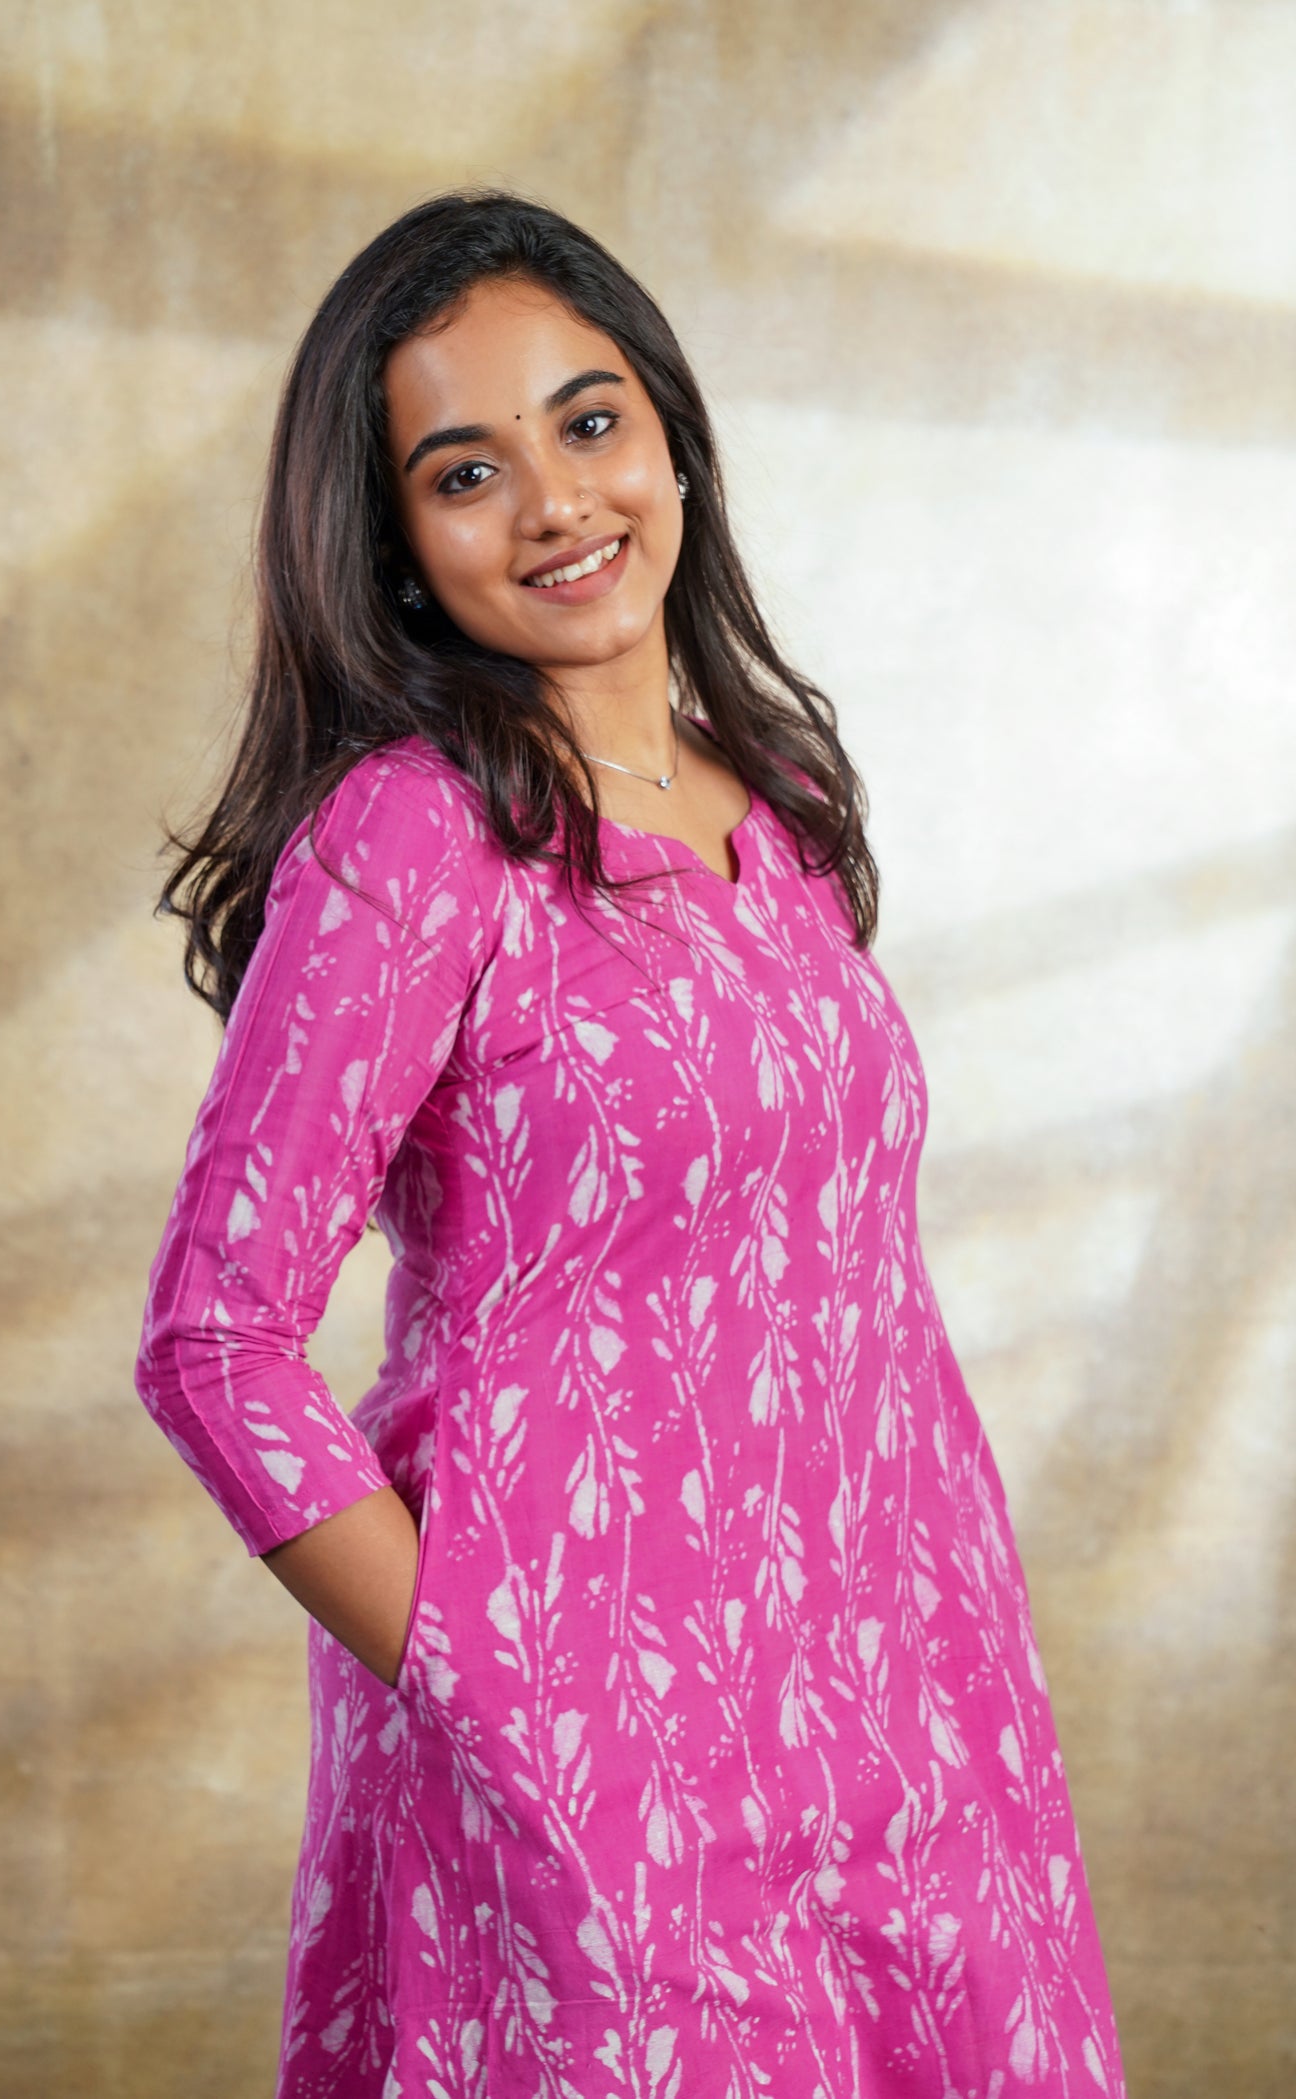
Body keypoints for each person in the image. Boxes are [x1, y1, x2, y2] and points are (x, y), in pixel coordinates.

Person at [135, 188, 1127, 2099]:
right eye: (466, 472)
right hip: (595, 1738)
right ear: (398, 545)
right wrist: (491, 1683)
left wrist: (943, 1656)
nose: (555, 504)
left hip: (909, 1704)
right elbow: (214, 1344)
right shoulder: (414, 842)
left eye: (589, 424)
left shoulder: (787, 800)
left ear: (672, 434)